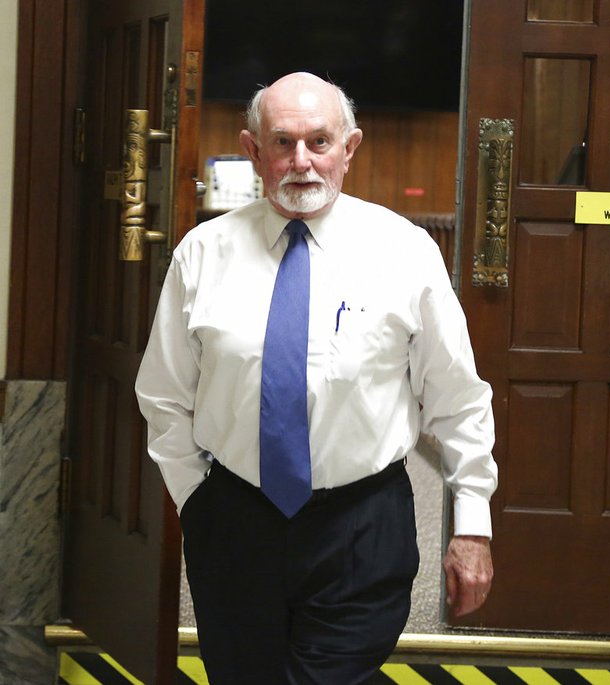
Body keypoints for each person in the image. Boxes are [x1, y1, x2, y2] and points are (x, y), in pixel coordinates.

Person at [135, 72, 497, 685]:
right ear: (254, 151)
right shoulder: (202, 253)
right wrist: (196, 500)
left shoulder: (405, 252)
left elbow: (457, 398)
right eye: (282, 143)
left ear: (349, 148)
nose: (301, 162)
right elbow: (164, 396)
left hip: (361, 523)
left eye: (319, 143)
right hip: (235, 521)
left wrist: (472, 526)